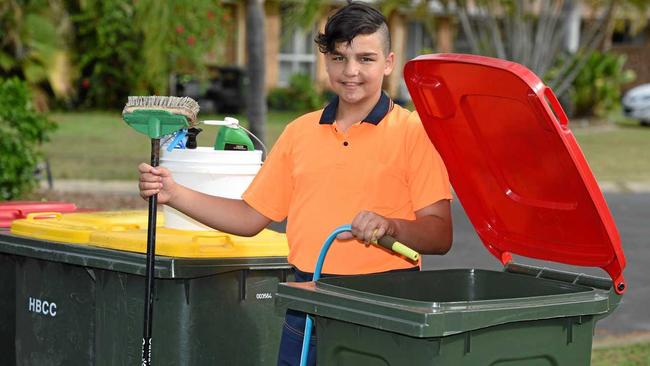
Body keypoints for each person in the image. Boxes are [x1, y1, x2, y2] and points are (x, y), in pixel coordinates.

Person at [138, 2, 452, 365]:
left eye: (366, 59)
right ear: (326, 61)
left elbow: (440, 234)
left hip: (386, 303)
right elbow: (249, 217)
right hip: (307, 297)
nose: (351, 71)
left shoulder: (414, 132)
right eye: (338, 58)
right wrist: (173, 193)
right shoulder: (299, 133)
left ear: (388, 62)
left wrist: (392, 226)